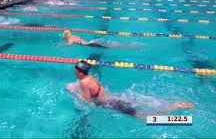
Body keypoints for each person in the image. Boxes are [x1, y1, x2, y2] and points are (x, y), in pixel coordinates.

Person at [67, 61, 195, 118]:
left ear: (81, 73)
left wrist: (73, 91)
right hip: (113, 98)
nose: (74, 71)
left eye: (75, 70)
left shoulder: (84, 82)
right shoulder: (89, 77)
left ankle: (173, 108)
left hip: (111, 104)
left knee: (140, 115)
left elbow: (87, 102)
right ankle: (172, 106)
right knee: (140, 106)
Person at [57, 30, 141, 49]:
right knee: (108, 45)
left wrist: (61, 45)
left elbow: (69, 44)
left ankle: (132, 46)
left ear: (66, 36)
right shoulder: (73, 36)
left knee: (109, 47)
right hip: (91, 42)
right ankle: (130, 45)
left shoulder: (70, 39)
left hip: (90, 44)